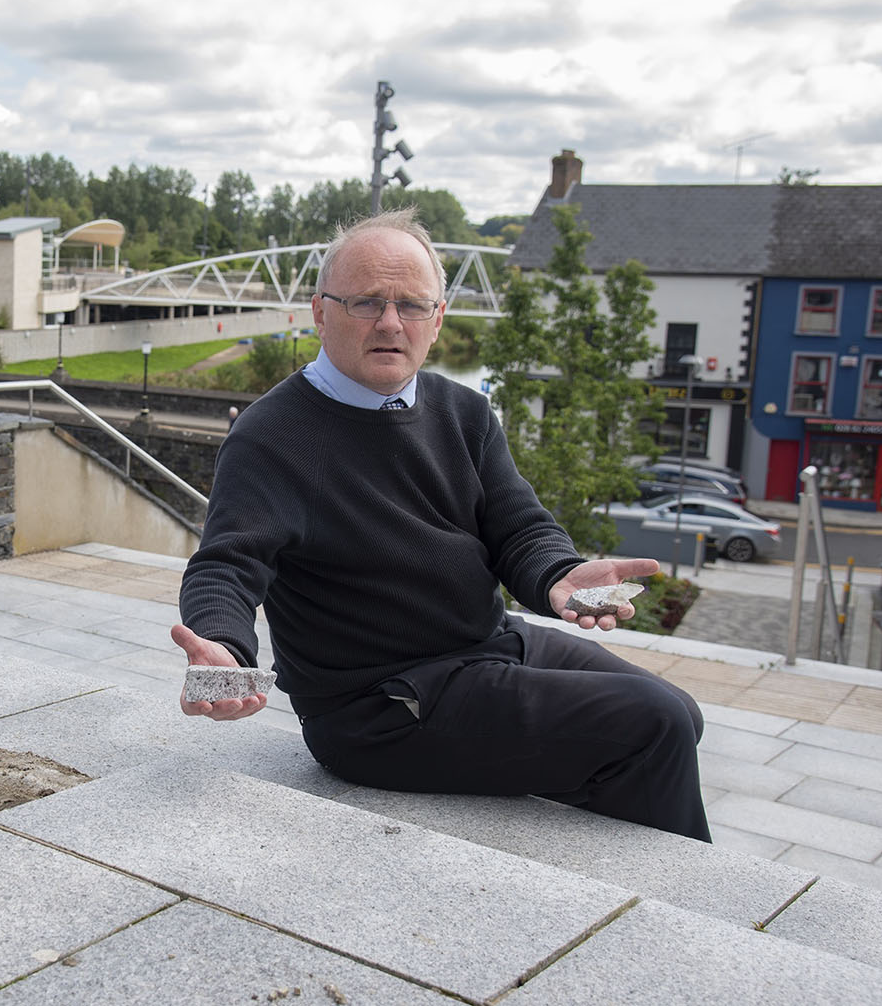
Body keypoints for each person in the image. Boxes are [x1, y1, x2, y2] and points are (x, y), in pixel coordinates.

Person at [175, 208, 710, 842]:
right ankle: (679, 895)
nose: (390, 323)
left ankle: (611, 865)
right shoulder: (271, 436)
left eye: (412, 305)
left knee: (683, 714)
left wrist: (560, 574)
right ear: (320, 312)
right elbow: (227, 565)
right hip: (379, 705)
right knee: (654, 723)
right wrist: (224, 649)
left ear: (438, 319)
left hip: (485, 645)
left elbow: (518, 527)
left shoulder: (464, 412)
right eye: (366, 302)